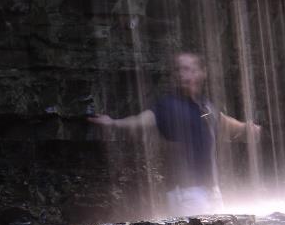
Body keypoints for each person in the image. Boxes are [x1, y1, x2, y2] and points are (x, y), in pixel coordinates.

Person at [90, 51, 260, 215]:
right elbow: (143, 120)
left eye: (187, 69)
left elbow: (223, 122)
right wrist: (113, 123)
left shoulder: (205, 105)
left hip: (212, 190)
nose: (180, 74)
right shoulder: (168, 106)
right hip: (186, 194)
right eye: (177, 69)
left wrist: (245, 127)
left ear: (201, 73)